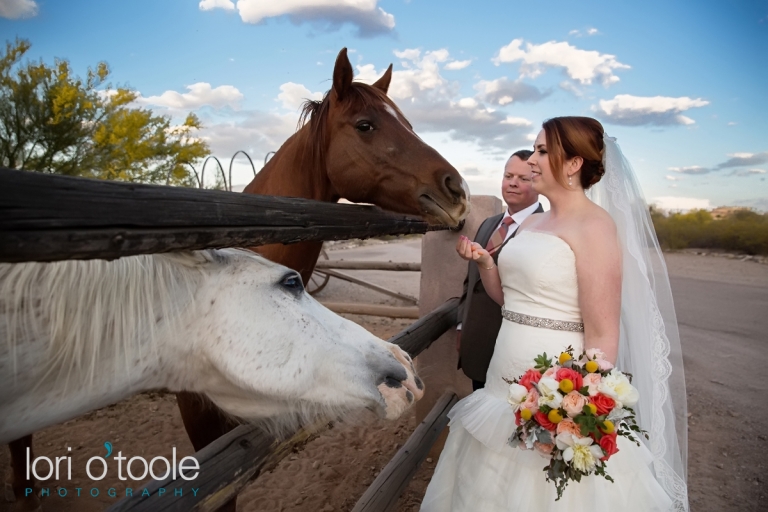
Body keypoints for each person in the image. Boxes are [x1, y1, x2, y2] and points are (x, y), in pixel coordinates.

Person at [421, 117, 688, 511]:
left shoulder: (595, 226)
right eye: (534, 149)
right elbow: (509, 301)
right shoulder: (537, 221)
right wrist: (486, 264)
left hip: (553, 388)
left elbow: (602, 332)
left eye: (543, 151)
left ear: (574, 163)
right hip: (501, 381)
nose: (532, 160)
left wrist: (576, 412)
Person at [457, 150, 543, 391]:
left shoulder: (545, 229)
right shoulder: (488, 223)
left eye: (523, 179)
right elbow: (469, 281)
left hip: (516, 348)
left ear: (538, 182)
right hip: (477, 344)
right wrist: (461, 326)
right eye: (508, 175)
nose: (513, 183)